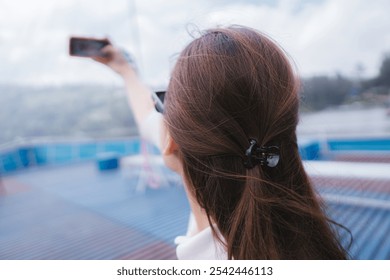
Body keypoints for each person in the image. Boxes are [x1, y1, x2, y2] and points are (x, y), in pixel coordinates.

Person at [94, 26, 348, 259]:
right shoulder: (306, 238)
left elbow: (149, 120)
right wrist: (125, 70)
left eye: (164, 103)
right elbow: (148, 118)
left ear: (171, 140)